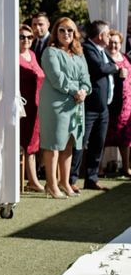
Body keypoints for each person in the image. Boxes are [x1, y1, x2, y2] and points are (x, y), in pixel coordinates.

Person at [38, 17, 91, 199]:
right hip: (56, 103)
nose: (66, 34)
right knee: (54, 143)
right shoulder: (50, 52)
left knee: (69, 143)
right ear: (56, 33)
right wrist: (75, 90)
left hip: (76, 103)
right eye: (62, 30)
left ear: (75, 33)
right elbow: (56, 78)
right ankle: (51, 184)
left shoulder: (79, 54)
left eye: (69, 30)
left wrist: (84, 90)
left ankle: (65, 182)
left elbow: (86, 77)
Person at [70, 20, 119, 192]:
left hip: (103, 108)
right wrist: (114, 66)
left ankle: (91, 178)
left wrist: (111, 66)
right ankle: (72, 179)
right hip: (89, 107)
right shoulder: (87, 49)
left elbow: (106, 67)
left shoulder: (101, 51)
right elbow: (101, 68)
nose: (110, 36)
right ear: (100, 36)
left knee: (98, 144)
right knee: (80, 143)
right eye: (107, 33)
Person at [19, 24, 45, 192]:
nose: (27, 40)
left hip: (38, 105)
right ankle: (32, 180)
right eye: (22, 37)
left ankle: (33, 178)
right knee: (26, 143)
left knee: (34, 143)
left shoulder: (33, 55)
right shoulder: (13, 56)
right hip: (23, 106)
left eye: (30, 37)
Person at [104, 29, 131, 177]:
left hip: (126, 103)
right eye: (111, 42)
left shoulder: (126, 57)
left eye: (116, 43)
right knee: (103, 135)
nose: (113, 45)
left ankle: (126, 167)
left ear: (121, 44)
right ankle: (99, 168)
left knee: (126, 137)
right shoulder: (103, 58)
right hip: (110, 101)